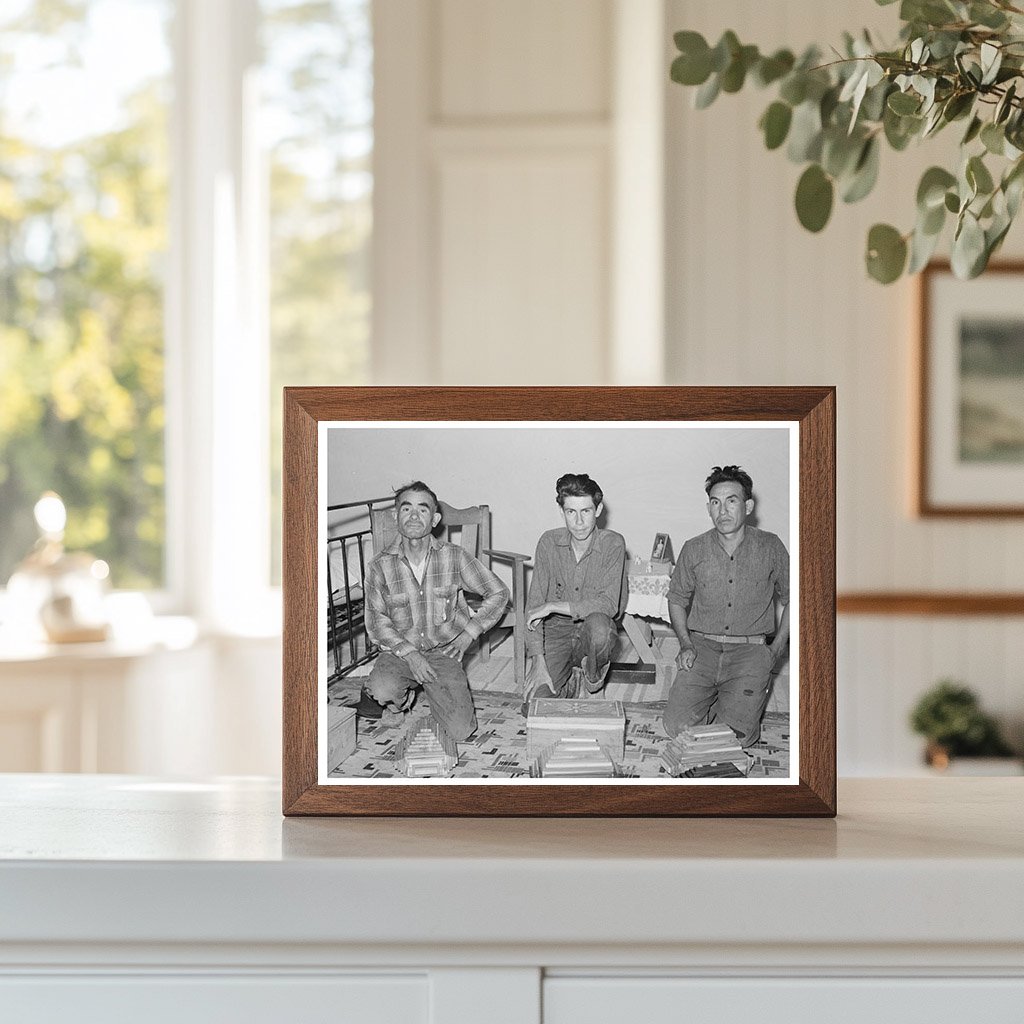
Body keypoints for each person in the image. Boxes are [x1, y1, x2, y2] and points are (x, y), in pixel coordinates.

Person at [364, 481, 509, 740]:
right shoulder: (379, 566)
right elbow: (376, 621)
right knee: (383, 688)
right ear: (396, 516)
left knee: (461, 731)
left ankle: (434, 692)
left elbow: (498, 592)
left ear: (435, 519)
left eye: (423, 509)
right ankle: (399, 702)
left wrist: (469, 634)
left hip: (443, 652)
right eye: (406, 509)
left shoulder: (454, 556)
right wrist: (410, 655)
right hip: (400, 652)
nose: (414, 516)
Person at [663, 465, 790, 748]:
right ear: (708, 508)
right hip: (702, 649)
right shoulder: (693, 548)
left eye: (731, 501)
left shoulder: (771, 546)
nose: (723, 511)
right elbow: (676, 599)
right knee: (676, 727)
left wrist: (777, 649)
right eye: (715, 503)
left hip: (750, 652)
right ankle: (717, 699)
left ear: (748, 505)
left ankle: (730, 703)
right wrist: (685, 644)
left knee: (737, 741)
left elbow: (795, 596)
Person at [524, 473, 627, 703]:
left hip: (591, 629)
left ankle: (592, 681)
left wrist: (552, 605)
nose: (579, 522)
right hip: (555, 632)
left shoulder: (614, 543)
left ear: (598, 510)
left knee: (601, 628)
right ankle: (569, 680)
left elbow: (609, 604)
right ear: (562, 512)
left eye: (586, 511)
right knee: (535, 706)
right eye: (571, 512)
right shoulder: (548, 542)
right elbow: (533, 609)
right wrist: (537, 663)